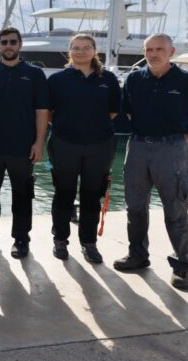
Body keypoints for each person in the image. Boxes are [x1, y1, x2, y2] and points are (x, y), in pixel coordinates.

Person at [113, 33, 188, 291]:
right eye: (148, 49)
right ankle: (138, 255)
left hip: (172, 148)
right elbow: (128, 112)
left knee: (176, 209)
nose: (153, 54)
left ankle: (181, 266)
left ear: (171, 51)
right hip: (138, 146)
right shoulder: (134, 79)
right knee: (135, 207)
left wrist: (177, 142)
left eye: (159, 49)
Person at [46, 34, 120, 264]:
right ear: (69, 51)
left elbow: (113, 111)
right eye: (75, 48)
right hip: (64, 144)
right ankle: (60, 239)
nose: (80, 52)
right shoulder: (57, 80)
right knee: (63, 193)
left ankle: (89, 243)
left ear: (94, 51)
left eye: (85, 48)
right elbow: (48, 113)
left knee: (91, 196)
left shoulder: (107, 78)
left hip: (100, 145)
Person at [0, 27, 49, 258]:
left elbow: (42, 112)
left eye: (12, 42)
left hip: (23, 147)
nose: (8, 46)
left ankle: (21, 238)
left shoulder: (35, 74)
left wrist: (39, 143)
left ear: (19, 45)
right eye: (3, 42)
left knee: (22, 194)